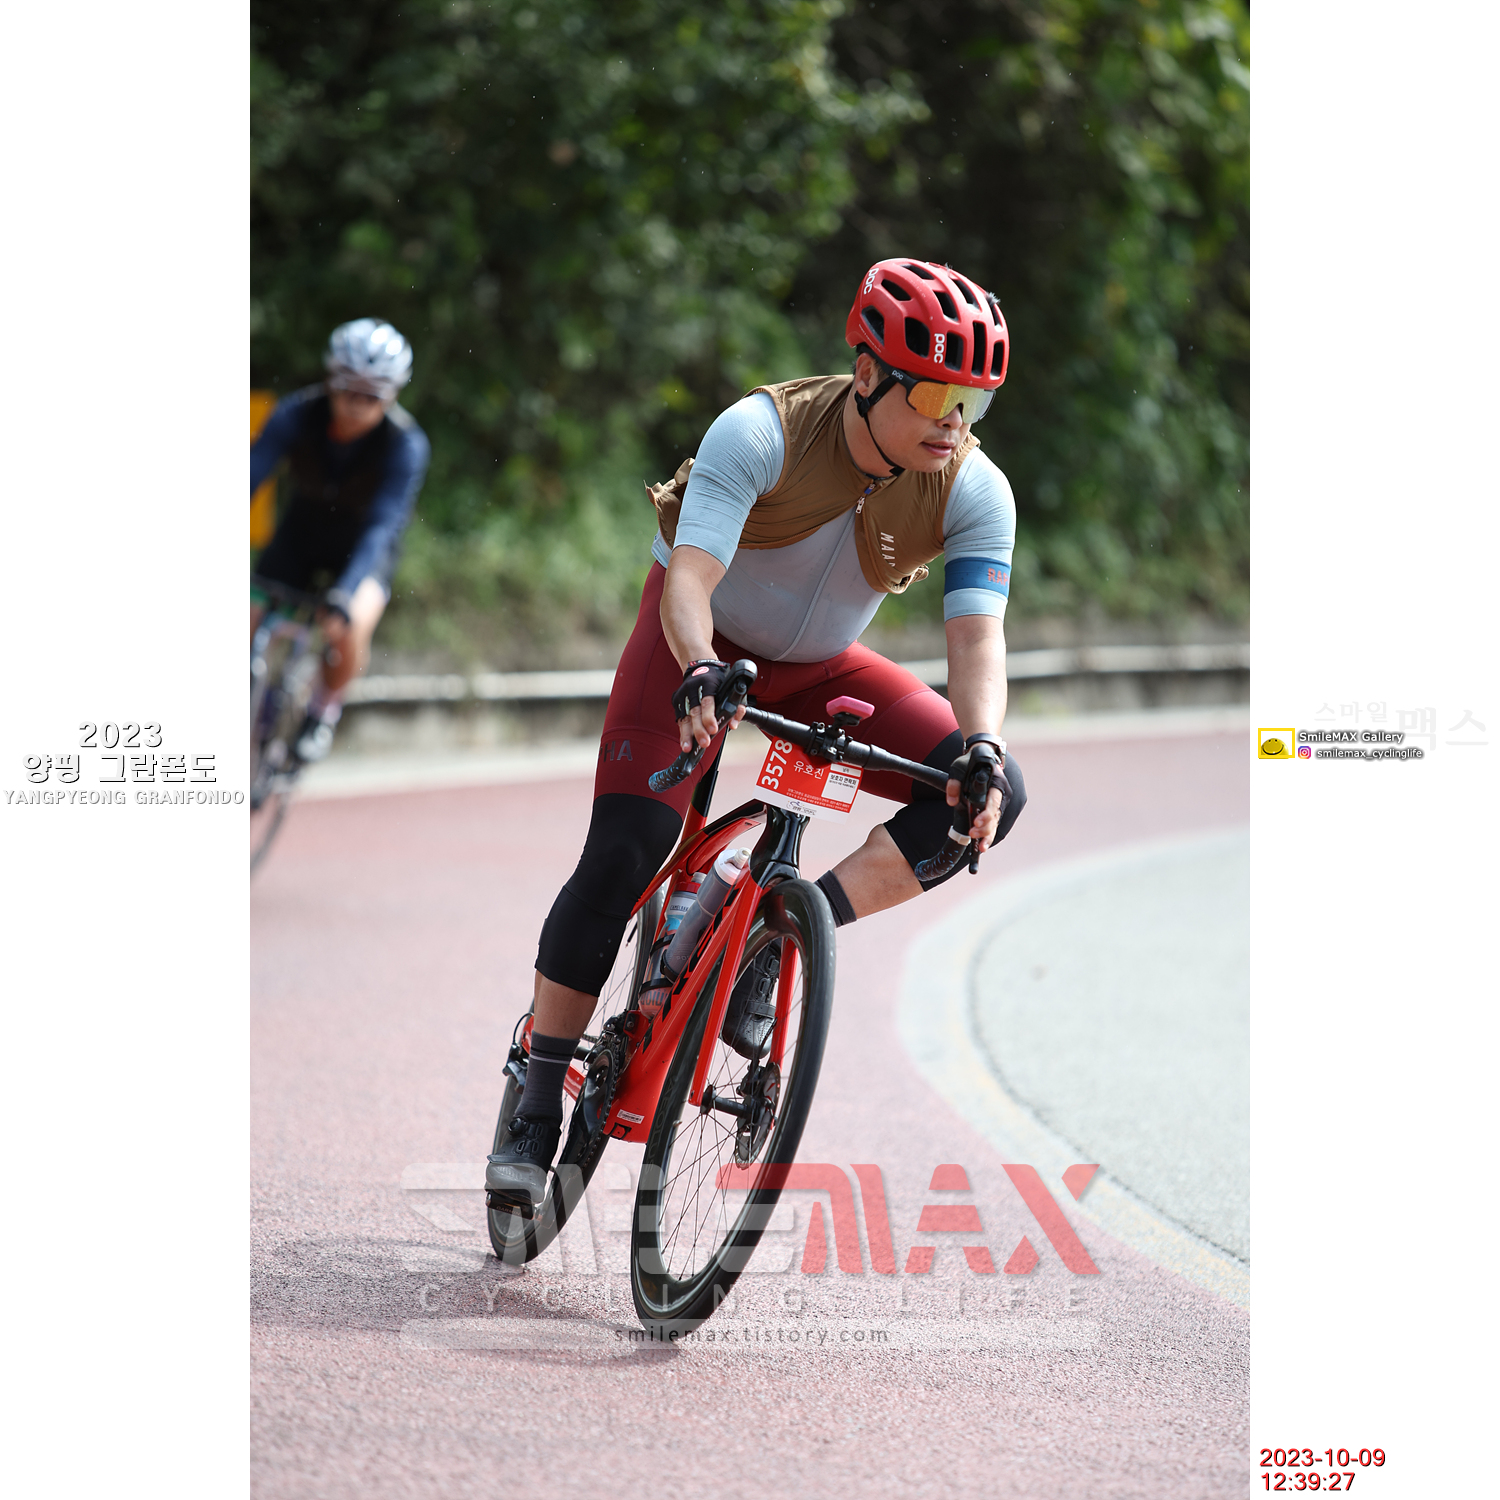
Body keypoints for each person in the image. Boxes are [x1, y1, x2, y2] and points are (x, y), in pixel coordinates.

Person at [486, 258, 1028, 1206]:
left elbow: (976, 636)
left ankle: (777, 940)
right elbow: (689, 583)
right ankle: (540, 1087)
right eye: (936, 395)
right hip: (697, 647)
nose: (955, 423)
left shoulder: (975, 489)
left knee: (990, 794)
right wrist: (700, 665)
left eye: (973, 403)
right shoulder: (762, 431)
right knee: (627, 850)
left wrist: (982, 747)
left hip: (822, 669)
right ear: (868, 375)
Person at [250, 319, 430, 762]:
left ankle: (322, 712)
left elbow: (383, 526)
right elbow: (250, 476)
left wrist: (345, 594)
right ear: (331, 379)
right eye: (348, 388)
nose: (357, 405)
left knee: (352, 623)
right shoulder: (296, 413)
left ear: (393, 394)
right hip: (301, 532)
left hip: (364, 546)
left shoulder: (405, 445)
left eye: (373, 395)